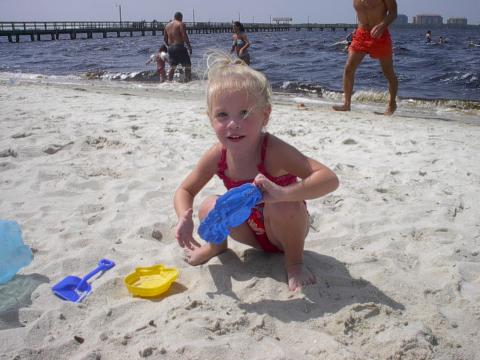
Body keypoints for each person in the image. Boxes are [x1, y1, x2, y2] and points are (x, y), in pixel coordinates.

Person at [173, 54, 339, 291]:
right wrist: (183, 217)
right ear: (210, 119)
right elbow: (186, 190)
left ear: (265, 115)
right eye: (222, 115)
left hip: (285, 231)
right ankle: (216, 247)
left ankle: (294, 264)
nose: (233, 123)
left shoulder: (273, 150)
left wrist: (283, 193)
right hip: (249, 233)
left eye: (244, 113)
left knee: (283, 205)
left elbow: (329, 179)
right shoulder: (217, 154)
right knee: (208, 205)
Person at [333, 0, 398, 115]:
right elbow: (361, 14)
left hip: (380, 35)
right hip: (361, 34)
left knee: (388, 72)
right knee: (349, 68)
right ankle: (346, 104)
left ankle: (392, 103)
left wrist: (383, 25)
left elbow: (393, 13)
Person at [164, 12, 192, 82]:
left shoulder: (167, 26)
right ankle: (187, 81)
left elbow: (165, 39)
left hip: (170, 48)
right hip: (179, 47)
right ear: (180, 17)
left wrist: (169, 46)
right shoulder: (181, 24)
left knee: (172, 67)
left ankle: (169, 81)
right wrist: (189, 46)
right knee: (187, 65)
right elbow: (184, 35)